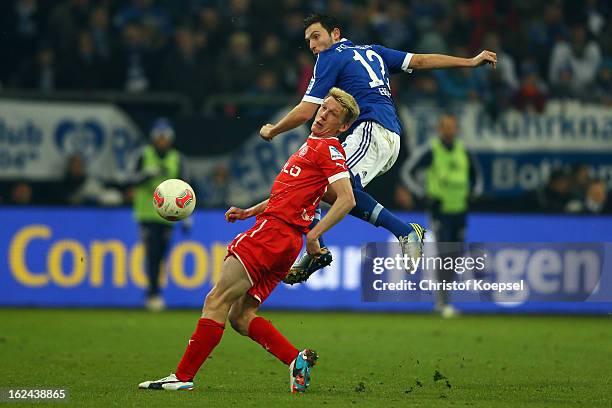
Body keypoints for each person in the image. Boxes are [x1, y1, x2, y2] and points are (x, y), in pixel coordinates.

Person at [138, 88, 359, 393]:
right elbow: (288, 196)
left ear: (343, 126)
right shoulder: (314, 147)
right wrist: (248, 211)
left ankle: (182, 376)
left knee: (216, 300)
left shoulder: (328, 151)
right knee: (240, 317)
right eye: (324, 108)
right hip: (284, 241)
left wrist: (316, 234)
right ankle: (296, 359)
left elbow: (346, 199)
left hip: (272, 235)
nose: (322, 115)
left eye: (333, 114)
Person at [260, 13, 496, 283]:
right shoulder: (374, 51)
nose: (313, 46)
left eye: (317, 36)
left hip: (370, 130)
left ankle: (401, 232)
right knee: (322, 185)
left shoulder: (330, 56)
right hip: (388, 137)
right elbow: (419, 60)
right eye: (309, 41)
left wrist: (273, 129)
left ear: (335, 34)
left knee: (328, 186)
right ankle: (319, 250)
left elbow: (306, 112)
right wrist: (469, 61)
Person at [401, 114, 483, 318]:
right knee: (444, 254)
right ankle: (442, 301)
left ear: (456, 129)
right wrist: (423, 195)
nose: (449, 131)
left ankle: (445, 299)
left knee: (455, 256)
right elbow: (407, 171)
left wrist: (473, 193)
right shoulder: (431, 150)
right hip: (440, 212)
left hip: (460, 210)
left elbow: (478, 177)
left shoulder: (464, 151)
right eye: (445, 127)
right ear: (440, 129)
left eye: (452, 127)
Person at [132, 118, 187, 311]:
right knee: (151, 252)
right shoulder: (144, 155)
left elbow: (184, 187)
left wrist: (187, 216)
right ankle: (152, 292)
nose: (162, 140)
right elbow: (132, 180)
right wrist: (146, 175)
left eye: (165, 137)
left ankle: (154, 290)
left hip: (168, 216)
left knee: (162, 254)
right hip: (147, 213)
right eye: (159, 136)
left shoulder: (176, 158)